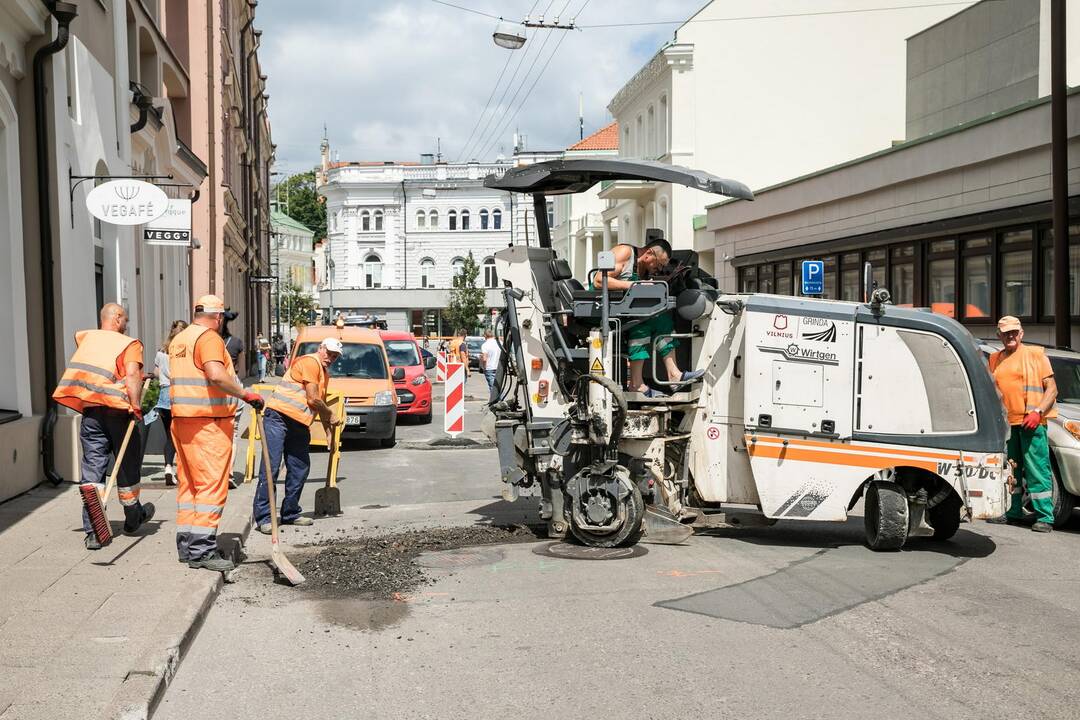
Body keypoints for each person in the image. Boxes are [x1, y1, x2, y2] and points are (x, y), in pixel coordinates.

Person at [169, 295, 265, 571]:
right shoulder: (209, 338)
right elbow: (216, 375)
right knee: (211, 484)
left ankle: (187, 545)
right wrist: (247, 395)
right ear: (218, 317)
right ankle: (202, 551)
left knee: (189, 485)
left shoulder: (180, 340)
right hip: (208, 423)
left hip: (182, 421)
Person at [53, 303, 155, 549]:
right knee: (127, 464)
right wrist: (136, 405)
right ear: (117, 318)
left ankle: (93, 531)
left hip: (91, 413)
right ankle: (132, 518)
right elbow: (131, 375)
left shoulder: (88, 340)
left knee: (92, 471)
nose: (127, 324)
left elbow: (98, 374)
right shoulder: (128, 344)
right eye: (125, 319)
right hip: (119, 413)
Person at [253, 337, 343, 534]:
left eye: (335, 356)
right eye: (329, 353)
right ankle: (264, 518)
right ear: (321, 349)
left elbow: (319, 405)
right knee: (271, 467)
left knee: (300, 467)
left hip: (299, 424)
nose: (331, 358)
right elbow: (314, 399)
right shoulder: (310, 362)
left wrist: (329, 434)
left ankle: (290, 513)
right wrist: (332, 414)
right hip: (278, 417)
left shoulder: (324, 373)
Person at [595, 236, 704, 397]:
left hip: (620, 310)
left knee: (661, 318)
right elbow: (598, 281)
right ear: (648, 254)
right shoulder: (624, 252)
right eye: (658, 264)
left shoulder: (642, 269)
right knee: (643, 323)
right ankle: (638, 384)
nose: (658, 270)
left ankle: (672, 375)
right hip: (600, 310)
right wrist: (634, 285)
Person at [987, 316, 1059, 533]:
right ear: (999, 335)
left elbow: (1052, 389)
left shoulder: (1035, 355)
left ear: (1021, 334)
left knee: (1037, 470)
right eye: (1006, 333)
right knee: (1011, 471)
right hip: (1008, 425)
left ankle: (1045, 517)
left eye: (1014, 332)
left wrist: (1038, 411)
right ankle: (1013, 511)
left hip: (1032, 423)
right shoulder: (994, 359)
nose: (1011, 336)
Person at [153, 320, 188, 486]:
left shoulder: (161, 352)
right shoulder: (183, 351)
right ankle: (184, 470)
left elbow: (155, 373)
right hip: (179, 394)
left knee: (169, 435)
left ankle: (167, 467)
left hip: (163, 396)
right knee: (182, 435)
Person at [480, 329, 501, 400]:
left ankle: (497, 402)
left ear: (485, 336)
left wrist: (484, 368)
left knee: (493, 387)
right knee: (499, 386)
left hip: (490, 368)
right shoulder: (499, 343)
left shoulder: (485, 345)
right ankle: (500, 401)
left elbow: (485, 358)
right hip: (499, 368)